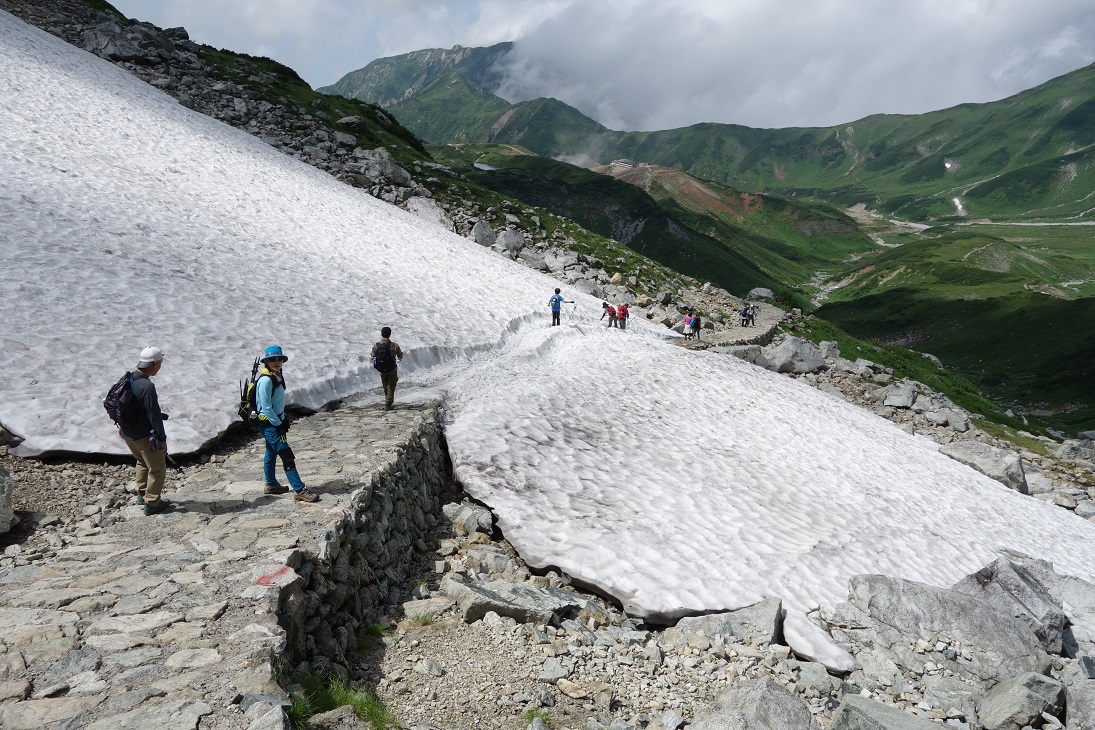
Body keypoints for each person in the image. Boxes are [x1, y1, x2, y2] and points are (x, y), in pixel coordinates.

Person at [256, 345, 319, 502]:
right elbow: (266, 407)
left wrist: (282, 419)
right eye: (272, 359)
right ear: (266, 361)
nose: (276, 362)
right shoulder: (265, 381)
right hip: (269, 424)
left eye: (279, 359)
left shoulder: (276, 376)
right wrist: (278, 423)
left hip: (274, 422)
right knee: (286, 455)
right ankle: (299, 490)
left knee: (271, 452)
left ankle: (271, 484)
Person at [118, 346, 172, 515]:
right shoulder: (147, 386)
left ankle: (141, 493)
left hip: (128, 433)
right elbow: (154, 415)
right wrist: (162, 440)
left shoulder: (128, 378)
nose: (160, 366)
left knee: (141, 461)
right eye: (160, 363)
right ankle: (152, 503)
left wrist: (121, 426)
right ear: (154, 364)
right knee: (157, 468)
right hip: (143, 435)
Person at [370, 326, 404, 410]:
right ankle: (388, 403)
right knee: (391, 385)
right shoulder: (394, 345)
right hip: (391, 368)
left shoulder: (377, 345)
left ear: (381, 334)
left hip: (381, 368)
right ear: (390, 334)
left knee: (385, 385)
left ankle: (387, 400)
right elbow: (400, 355)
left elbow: (372, 356)